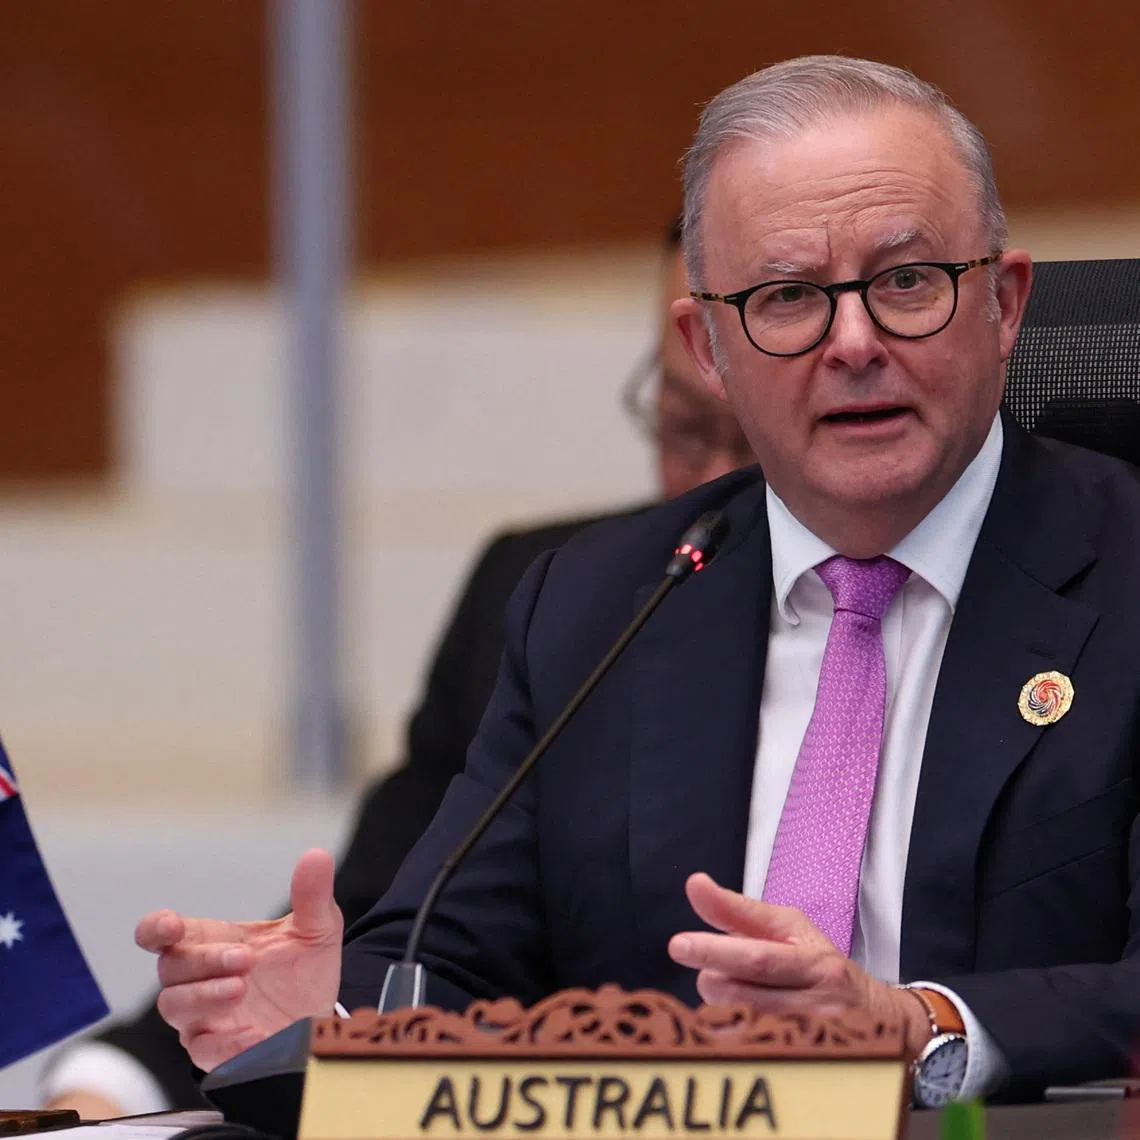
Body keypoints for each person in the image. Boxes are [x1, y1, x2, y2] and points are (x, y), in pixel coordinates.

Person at [137, 55, 1140, 1106]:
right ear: (706, 347)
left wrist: (922, 1027)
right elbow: (453, 955)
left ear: (1006, 303)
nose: (854, 342)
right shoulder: (600, 603)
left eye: (905, 283)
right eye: (788, 297)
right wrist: (328, 1026)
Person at [41, 221, 753, 1116]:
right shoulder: (547, 599)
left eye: (753, 444)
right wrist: (114, 1086)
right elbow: (385, 914)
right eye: (685, 433)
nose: (717, 487)